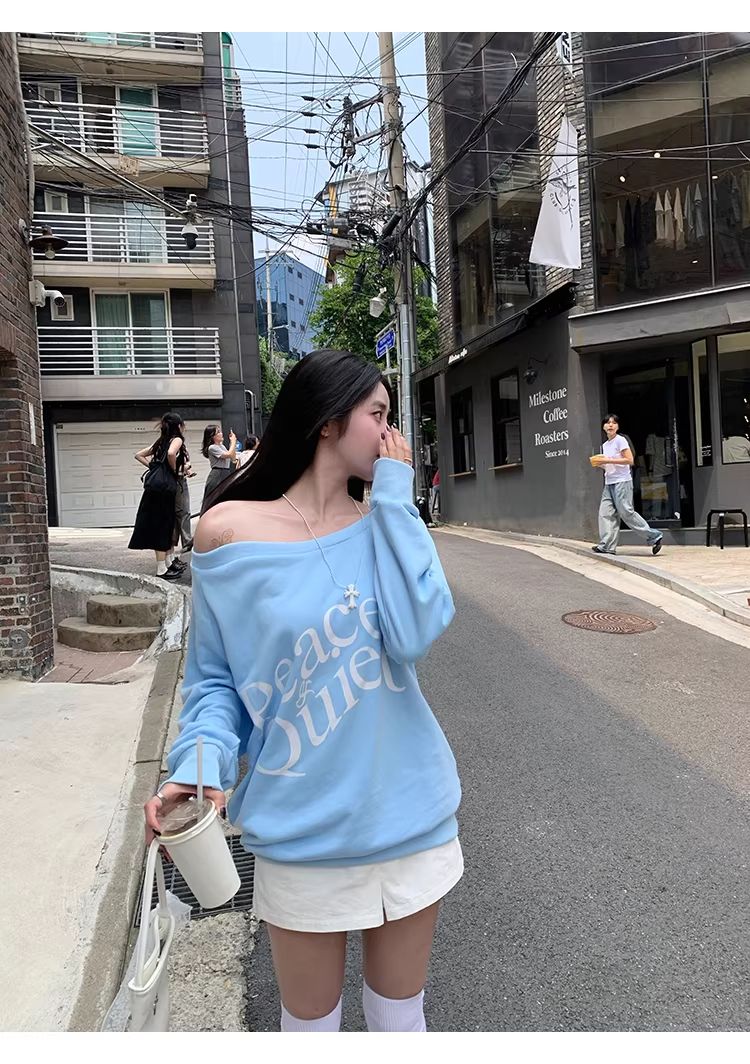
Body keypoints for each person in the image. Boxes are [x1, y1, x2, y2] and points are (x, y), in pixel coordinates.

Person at [144, 349, 462, 1033]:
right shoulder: (230, 532)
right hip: (301, 828)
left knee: (400, 1024)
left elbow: (415, 634)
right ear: (327, 420)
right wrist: (198, 766)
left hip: (409, 816)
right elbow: (216, 679)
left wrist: (394, 499)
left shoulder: (385, 521)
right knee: (310, 1031)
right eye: (378, 414)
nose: (391, 435)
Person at [591, 414, 663, 556]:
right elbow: (610, 465)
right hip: (609, 482)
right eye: (607, 423)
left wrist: (608, 460)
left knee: (626, 512)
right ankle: (607, 546)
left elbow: (629, 460)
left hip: (622, 482)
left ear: (617, 426)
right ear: (603, 427)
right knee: (605, 514)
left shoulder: (620, 440)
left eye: (613, 423)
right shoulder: (605, 445)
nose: (610, 425)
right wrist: (601, 464)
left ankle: (654, 536)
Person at [130, 413, 188, 580]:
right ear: (179, 426)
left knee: (160, 525)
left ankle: (166, 565)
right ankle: (161, 569)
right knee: (163, 526)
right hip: (165, 490)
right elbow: (171, 453)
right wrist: (173, 470)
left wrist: (154, 468)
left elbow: (138, 455)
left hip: (153, 490)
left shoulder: (161, 441)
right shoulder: (177, 440)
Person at [174, 420, 198, 554]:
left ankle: (174, 543)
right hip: (178, 481)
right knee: (183, 512)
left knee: (179, 512)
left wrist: (187, 471)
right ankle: (187, 542)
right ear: (178, 426)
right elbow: (171, 456)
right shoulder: (176, 441)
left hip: (179, 479)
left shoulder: (166, 441)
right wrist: (180, 470)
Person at [201, 424, 237, 510]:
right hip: (217, 475)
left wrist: (233, 444)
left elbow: (233, 458)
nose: (221, 433)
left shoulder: (222, 446)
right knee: (213, 501)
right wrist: (233, 442)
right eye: (218, 432)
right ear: (212, 436)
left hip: (225, 473)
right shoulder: (212, 447)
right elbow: (229, 454)